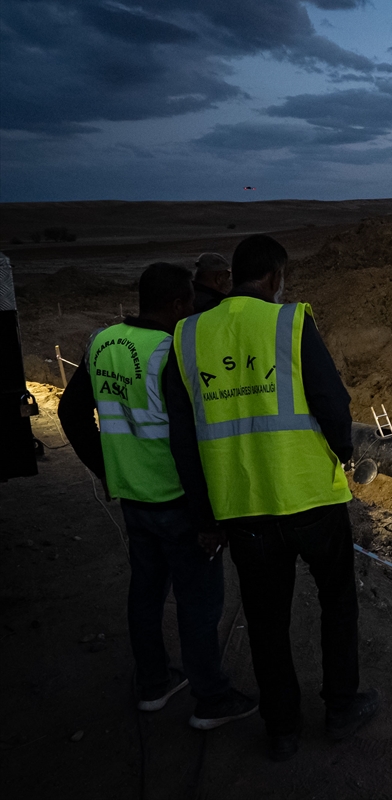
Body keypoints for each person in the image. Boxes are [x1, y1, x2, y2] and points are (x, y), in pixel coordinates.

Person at [163, 234, 378, 763]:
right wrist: (345, 452)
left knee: (264, 621)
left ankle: (281, 728)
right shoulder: (290, 322)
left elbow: (183, 436)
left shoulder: (187, 336)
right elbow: (332, 401)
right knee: (337, 605)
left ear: (234, 275)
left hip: (242, 509)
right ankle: (340, 708)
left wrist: (204, 514)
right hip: (310, 500)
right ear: (276, 277)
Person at [57, 262, 258, 729]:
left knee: (145, 593)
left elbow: (70, 412)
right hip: (177, 501)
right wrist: (209, 519)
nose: (192, 309)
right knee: (200, 602)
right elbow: (186, 441)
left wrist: (107, 470)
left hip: (133, 500)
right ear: (175, 304)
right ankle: (210, 697)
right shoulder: (170, 352)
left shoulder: (102, 341)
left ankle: (152, 683)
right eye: (189, 301)